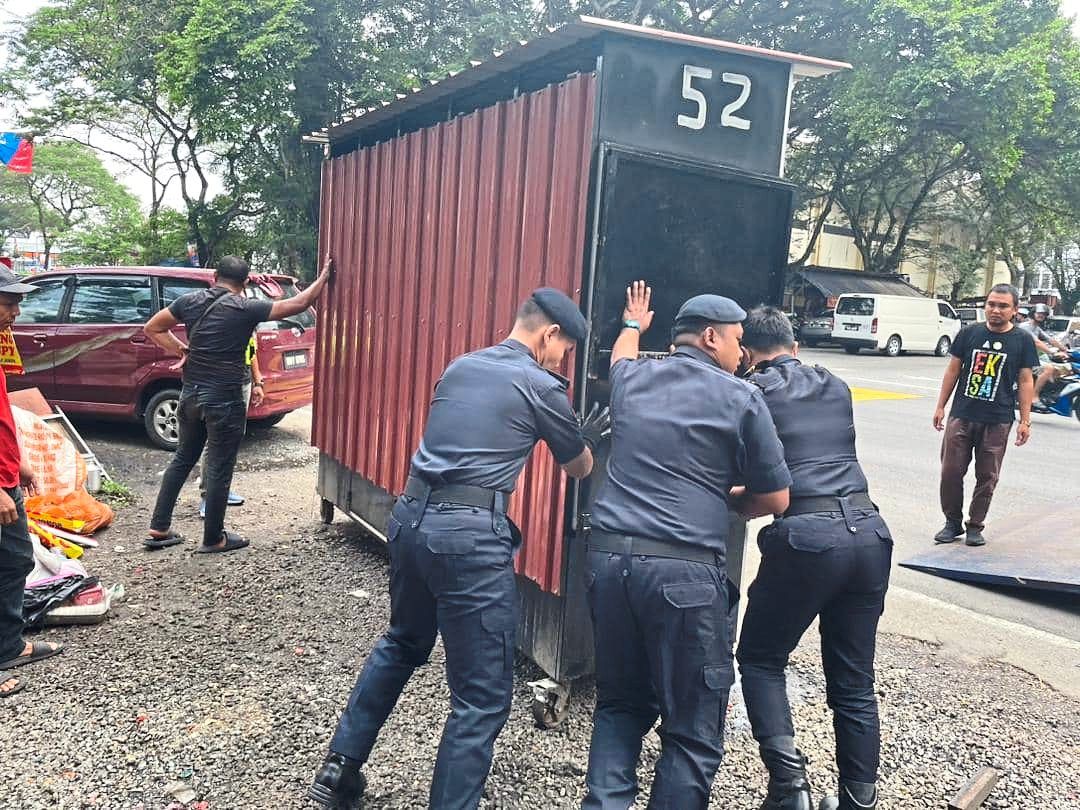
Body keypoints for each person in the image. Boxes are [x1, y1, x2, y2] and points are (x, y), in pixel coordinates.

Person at [310, 288, 607, 810]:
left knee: (402, 643)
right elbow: (577, 467)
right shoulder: (542, 385)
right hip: (468, 539)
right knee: (482, 695)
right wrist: (586, 441)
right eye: (564, 350)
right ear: (549, 335)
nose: (562, 360)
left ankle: (339, 771)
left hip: (409, 518)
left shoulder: (461, 366)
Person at [581, 283, 791, 810]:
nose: (743, 354)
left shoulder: (630, 380)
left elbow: (622, 354)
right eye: (738, 341)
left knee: (621, 705)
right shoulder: (741, 395)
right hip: (684, 575)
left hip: (609, 563)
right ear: (711, 336)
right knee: (693, 728)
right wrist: (725, 500)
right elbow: (778, 497)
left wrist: (633, 322)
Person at [735, 306, 892, 810]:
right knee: (853, 682)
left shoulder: (751, 394)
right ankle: (858, 802)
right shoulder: (837, 385)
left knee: (760, 659)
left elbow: (760, 479)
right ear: (795, 346)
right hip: (868, 532)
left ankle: (790, 790)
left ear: (745, 352)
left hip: (807, 538)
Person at [143, 256, 332, 553]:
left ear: (215, 275)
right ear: (245, 283)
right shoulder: (245, 307)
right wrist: (322, 278)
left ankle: (160, 526)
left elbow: (153, 327)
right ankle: (214, 538)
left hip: (190, 394)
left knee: (182, 458)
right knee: (219, 466)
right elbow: (296, 305)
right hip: (224, 398)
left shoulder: (189, 301)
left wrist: (183, 349)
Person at [933, 284, 1036, 547]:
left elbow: (1025, 381)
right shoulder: (969, 333)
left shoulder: (1022, 341)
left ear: (1014, 310)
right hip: (962, 415)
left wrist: (1025, 420)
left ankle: (975, 525)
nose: (995, 310)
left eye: (1003, 306)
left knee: (987, 476)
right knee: (950, 471)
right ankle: (951, 522)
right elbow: (952, 371)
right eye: (991, 304)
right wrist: (940, 406)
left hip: (998, 419)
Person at [0, 269, 63, 697]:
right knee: (12, 561)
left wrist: (15, 463)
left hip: (5, 474)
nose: (16, 311)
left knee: (16, 561)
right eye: (9, 302)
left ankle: (9, 645)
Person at [197, 335, 263, 518]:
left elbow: (252, 351)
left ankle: (222, 491)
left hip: (244, 383)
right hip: (221, 386)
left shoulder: (248, 315)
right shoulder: (223, 315)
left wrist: (258, 382)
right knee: (215, 440)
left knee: (234, 438)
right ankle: (207, 496)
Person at [1018, 303, 1072, 410]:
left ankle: (1046, 394)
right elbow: (1037, 342)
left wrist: (1067, 350)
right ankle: (1034, 397)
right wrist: (1052, 353)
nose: (1041, 316)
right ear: (1033, 313)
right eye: (1039, 313)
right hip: (1021, 359)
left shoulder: (1036, 328)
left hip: (1030, 357)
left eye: (1043, 314)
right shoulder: (1026, 326)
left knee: (1059, 370)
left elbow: (1051, 340)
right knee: (1048, 368)